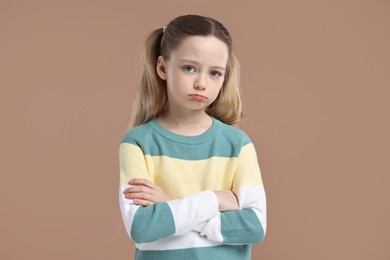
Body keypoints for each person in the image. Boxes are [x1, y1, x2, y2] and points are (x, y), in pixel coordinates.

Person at [119, 14, 266, 260]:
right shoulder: (137, 143)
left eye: (215, 73)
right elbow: (143, 228)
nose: (201, 83)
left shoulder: (238, 145)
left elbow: (254, 226)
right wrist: (216, 200)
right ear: (162, 67)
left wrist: (169, 204)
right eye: (189, 68)